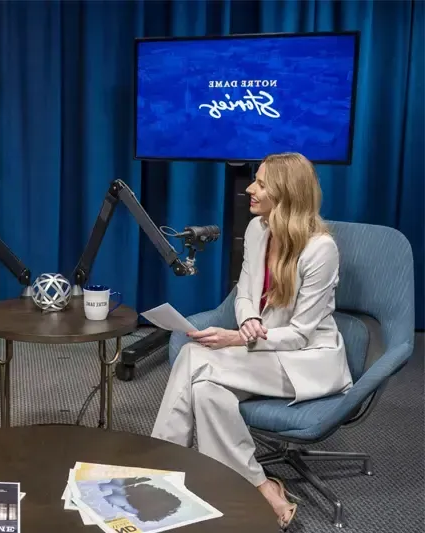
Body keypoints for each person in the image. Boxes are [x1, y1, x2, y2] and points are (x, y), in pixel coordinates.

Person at [150, 152, 352, 530]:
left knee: (195, 357)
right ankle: (258, 486)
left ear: (286, 192)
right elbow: (243, 293)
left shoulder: (320, 249)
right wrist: (248, 322)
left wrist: (236, 340)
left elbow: (301, 334)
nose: (249, 189)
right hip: (262, 351)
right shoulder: (259, 229)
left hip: (304, 361)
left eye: (260, 183)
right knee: (208, 392)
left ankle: (160, 469)